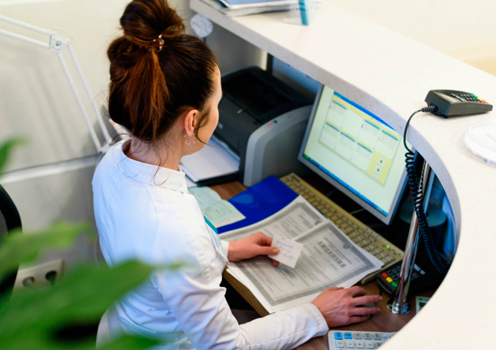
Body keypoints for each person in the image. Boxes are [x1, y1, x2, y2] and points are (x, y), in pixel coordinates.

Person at [92, 0, 382, 349]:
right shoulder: (175, 232)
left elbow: (153, 255)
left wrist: (223, 249)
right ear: (191, 121)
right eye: (217, 102)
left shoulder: (114, 161)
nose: (220, 112)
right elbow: (226, 347)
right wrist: (316, 314)